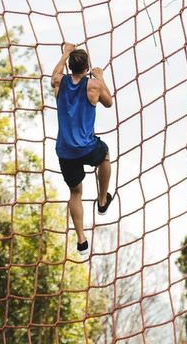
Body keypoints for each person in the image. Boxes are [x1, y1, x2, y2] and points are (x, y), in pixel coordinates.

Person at [51, 43, 113, 255]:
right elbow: (109, 102)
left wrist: (65, 52)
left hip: (65, 151)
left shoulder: (60, 83)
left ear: (69, 66)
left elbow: (54, 76)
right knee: (104, 155)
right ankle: (103, 200)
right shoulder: (93, 86)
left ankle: (81, 240)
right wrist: (100, 76)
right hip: (86, 147)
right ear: (87, 67)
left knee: (75, 192)